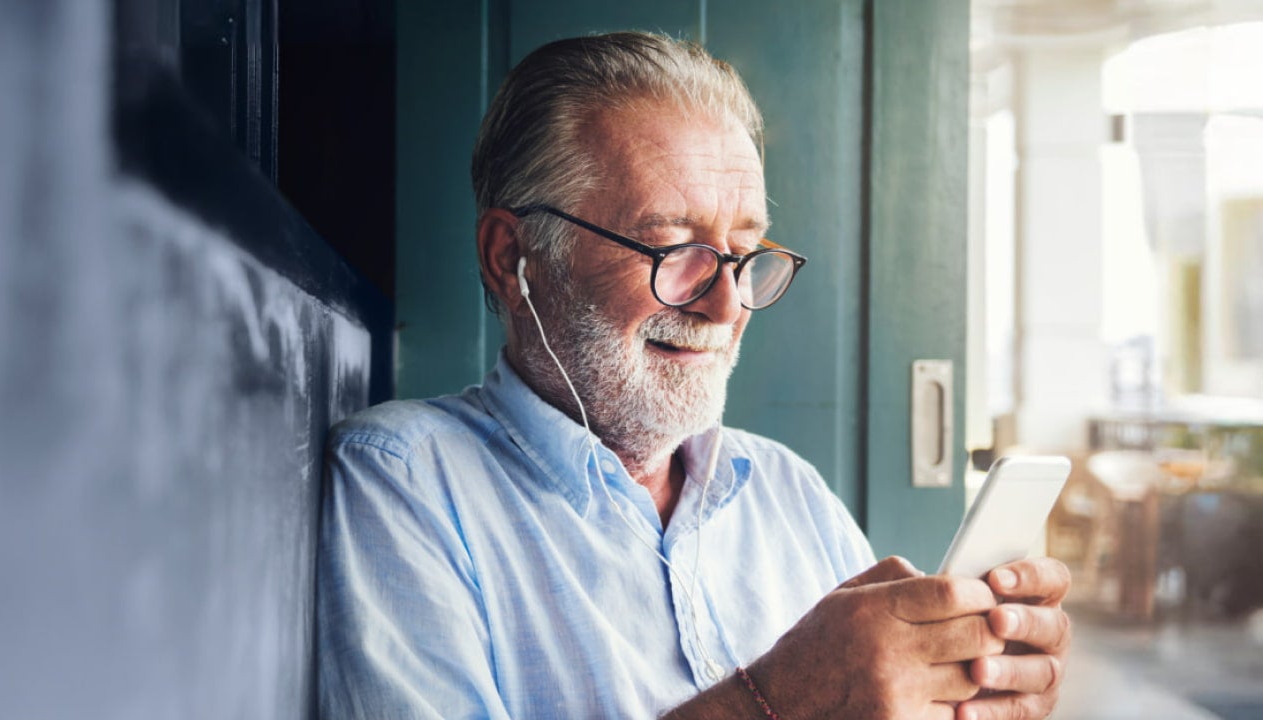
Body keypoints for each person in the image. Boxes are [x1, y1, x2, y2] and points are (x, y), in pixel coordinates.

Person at [318, 31, 1070, 720]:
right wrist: (778, 700)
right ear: (511, 257)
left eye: (743, 253)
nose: (724, 304)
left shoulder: (787, 490)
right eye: (672, 248)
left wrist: (965, 690)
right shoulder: (405, 481)